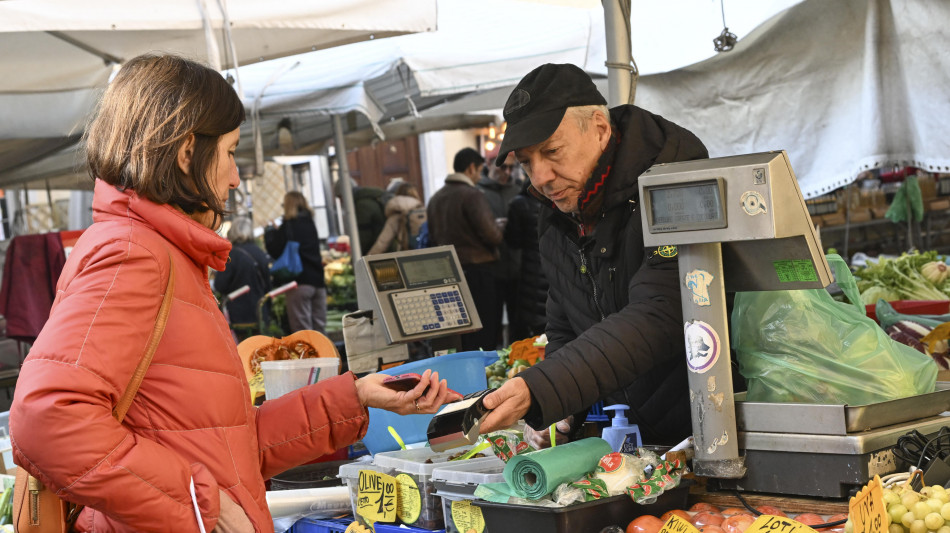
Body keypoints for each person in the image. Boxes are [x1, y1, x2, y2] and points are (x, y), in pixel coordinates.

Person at [9, 53, 460, 533]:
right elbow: (46, 419)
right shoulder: (133, 254)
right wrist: (204, 505)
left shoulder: (167, 257)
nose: (235, 174)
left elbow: (227, 444)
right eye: (229, 151)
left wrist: (356, 397)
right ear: (187, 153)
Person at [479, 63, 709, 448]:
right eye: (526, 162)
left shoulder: (676, 182)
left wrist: (545, 387)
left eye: (551, 151)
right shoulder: (558, 212)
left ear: (600, 129)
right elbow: (565, 320)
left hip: (710, 427)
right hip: (639, 444)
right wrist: (565, 406)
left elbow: (662, 311)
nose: (539, 177)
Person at [427, 148, 504, 351]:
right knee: (484, 334)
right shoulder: (472, 195)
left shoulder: (436, 199)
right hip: (478, 273)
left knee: (462, 336)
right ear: (471, 168)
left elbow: (433, 236)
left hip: (448, 274)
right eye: (479, 170)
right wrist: (500, 226)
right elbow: (493, 235)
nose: (480, 176)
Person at [476, 152, 523, 346]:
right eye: (503, 167)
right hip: (491, 268)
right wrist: (491, 226)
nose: (508, 172)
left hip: (518, 268)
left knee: (518, 323)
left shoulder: (518, 190)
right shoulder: (478, 193)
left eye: (512, 167)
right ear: (489, 164)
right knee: (490, 324)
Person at [265, 191, 328, 334]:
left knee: (302, 331)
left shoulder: (289, 224)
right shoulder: (310, 221)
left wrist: (270, 232)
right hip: (318, 281)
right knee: (320, 330)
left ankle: (310, 357)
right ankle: (326, 355)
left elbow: (275, 249)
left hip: (299, 282)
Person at [214, 216, 272, 340]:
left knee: (243, 349)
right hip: (259, 311)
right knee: (259, 348)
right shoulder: (260, 252)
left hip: (239, 314)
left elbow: (220, 285)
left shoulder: (231, 255)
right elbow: (268, 284)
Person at [504, 179, 548, 341]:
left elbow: (513, 241)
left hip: (530, 271)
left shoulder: (519, 204)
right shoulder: (556, 201)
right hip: (552, 268)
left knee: (530, 324)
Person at [368, 182, 426, 255]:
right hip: (428, 253)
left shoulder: (396, 216)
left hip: (408, 255)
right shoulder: (425, 212)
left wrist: (368, 258)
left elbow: (382, 243)